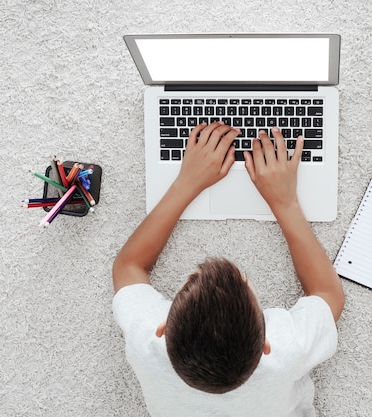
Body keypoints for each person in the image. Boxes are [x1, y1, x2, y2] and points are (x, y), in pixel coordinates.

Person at [112, 122, 345, 417]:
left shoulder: (146, 340)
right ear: (266, 347)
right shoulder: (288, 350)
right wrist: (284, 202)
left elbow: (128, 265)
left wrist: (187, 182)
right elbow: (328, 293)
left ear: (163, 329)